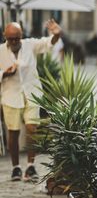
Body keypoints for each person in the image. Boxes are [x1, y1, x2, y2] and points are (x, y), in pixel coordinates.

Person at [0, 19, 62, 182]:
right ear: (4, 36)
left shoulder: (29, 45)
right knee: (13, 132)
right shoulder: (0, 51)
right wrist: (5, 73)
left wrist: (56, 34)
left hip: (32, 92)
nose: (14, 41)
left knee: (32, 129)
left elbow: (48, 43)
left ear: (22, 36)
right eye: (11, 38)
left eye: (17, 38)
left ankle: (30, 166)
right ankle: (15, 168)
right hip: (10, 95)